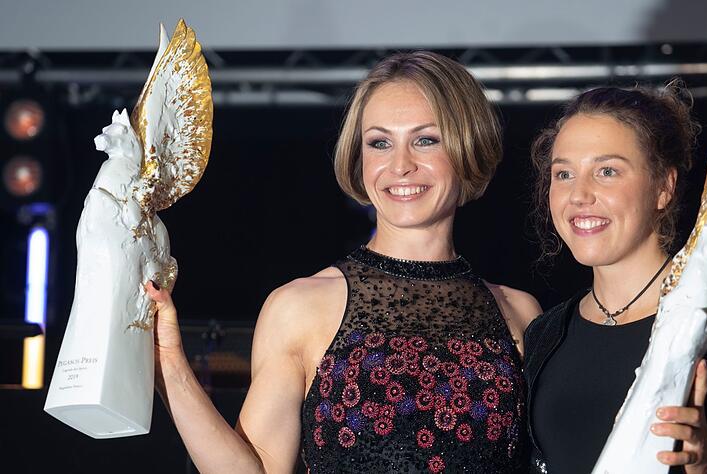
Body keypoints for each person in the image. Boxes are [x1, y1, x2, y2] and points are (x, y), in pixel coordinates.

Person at [146, 51, 541, 473]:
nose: (401, 165)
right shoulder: (300, 307)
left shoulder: (518, 314)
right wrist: (169, 361)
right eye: (379, 143)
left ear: (468, 147)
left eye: (426, 139)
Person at [523, 84, 707, 473]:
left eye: (607, 171)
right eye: (563, 173)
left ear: (663, 187)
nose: (579, 194)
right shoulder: (545, 333)